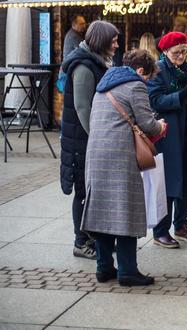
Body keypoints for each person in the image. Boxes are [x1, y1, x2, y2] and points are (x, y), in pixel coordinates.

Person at [81, 50, 166, 286]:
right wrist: (159, 126)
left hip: (96, 153)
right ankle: (128, 271)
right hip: (119, 154)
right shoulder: (135, 86)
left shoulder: (104, 84)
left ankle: (104, 267)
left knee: (104, 208)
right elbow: (148, 124)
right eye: (147, 78)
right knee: (127, 207)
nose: (146, 83)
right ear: (140, 71)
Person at [147, 31, 187, 248]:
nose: (181, 55)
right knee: (168, 181)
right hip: (167, 134)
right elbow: (155, 101)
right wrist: (183, 93)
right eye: (177, 52)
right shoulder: (157, 71)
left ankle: (181, 224)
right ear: (165, 51)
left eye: (185, 51)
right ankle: (161, 230)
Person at [60, 20, 119, 259]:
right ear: (101, 41)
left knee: (92, 190)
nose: (116, 44)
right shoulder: (84, 66)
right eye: (113, 40)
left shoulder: (98, 61)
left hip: (90, 138)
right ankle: (80, 241)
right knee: (83, 191)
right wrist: (98, 139)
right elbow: (83, 108)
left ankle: (93, 238)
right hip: (82, 141)